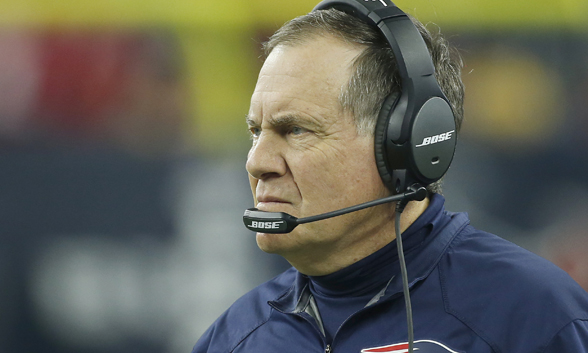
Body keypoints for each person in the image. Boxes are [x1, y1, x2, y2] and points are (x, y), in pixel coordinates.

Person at [191, 1, 588, 352]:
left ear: (403, 144)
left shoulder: (534, 317)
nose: (257, 162)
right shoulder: (233, 338)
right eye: (255, 131)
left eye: (296, 130)